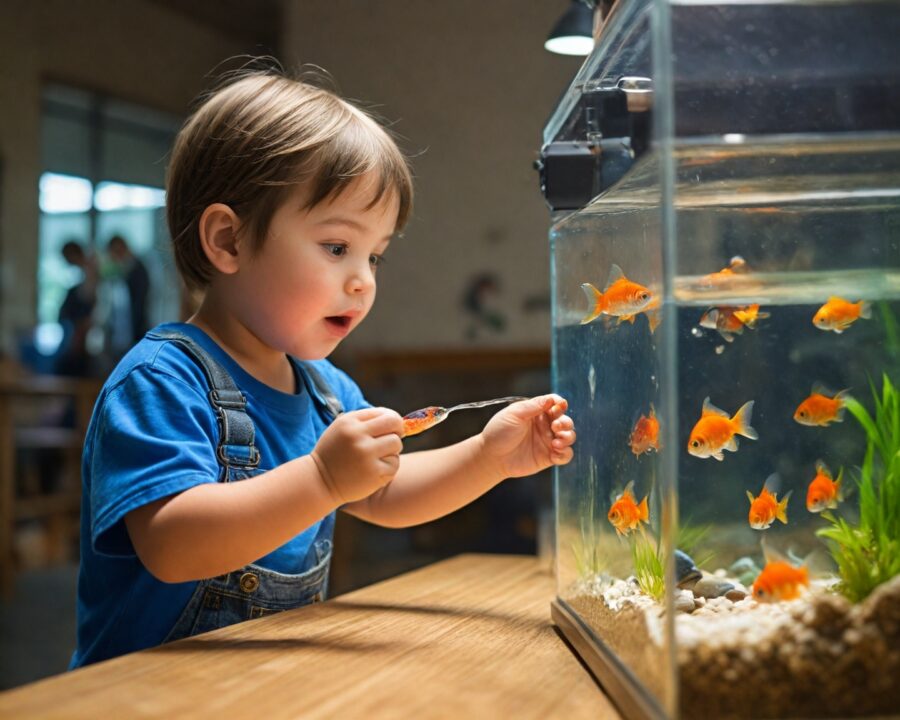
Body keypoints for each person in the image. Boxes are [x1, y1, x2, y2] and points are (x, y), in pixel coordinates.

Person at [70, 70, 576, 669]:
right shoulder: (162, 380)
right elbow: (173, 545)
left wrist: (490, 457)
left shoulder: (324, 389)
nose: (363, 280)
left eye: (375, 256)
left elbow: (385, 491)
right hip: (144, 696)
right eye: (337, 247)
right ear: (229, 241)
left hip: (267, 685)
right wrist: (322, 479)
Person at [55, 240, 97, 377]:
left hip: (80, 331)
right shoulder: (83, 273)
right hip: (75, 329)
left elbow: (89, 305)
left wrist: (80, 330)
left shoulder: (90, 271)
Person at [106, 234, 151, 346]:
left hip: (137, 328)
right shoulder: (125, 271)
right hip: (129, 329)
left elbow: (140, 303)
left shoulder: (137, 270)